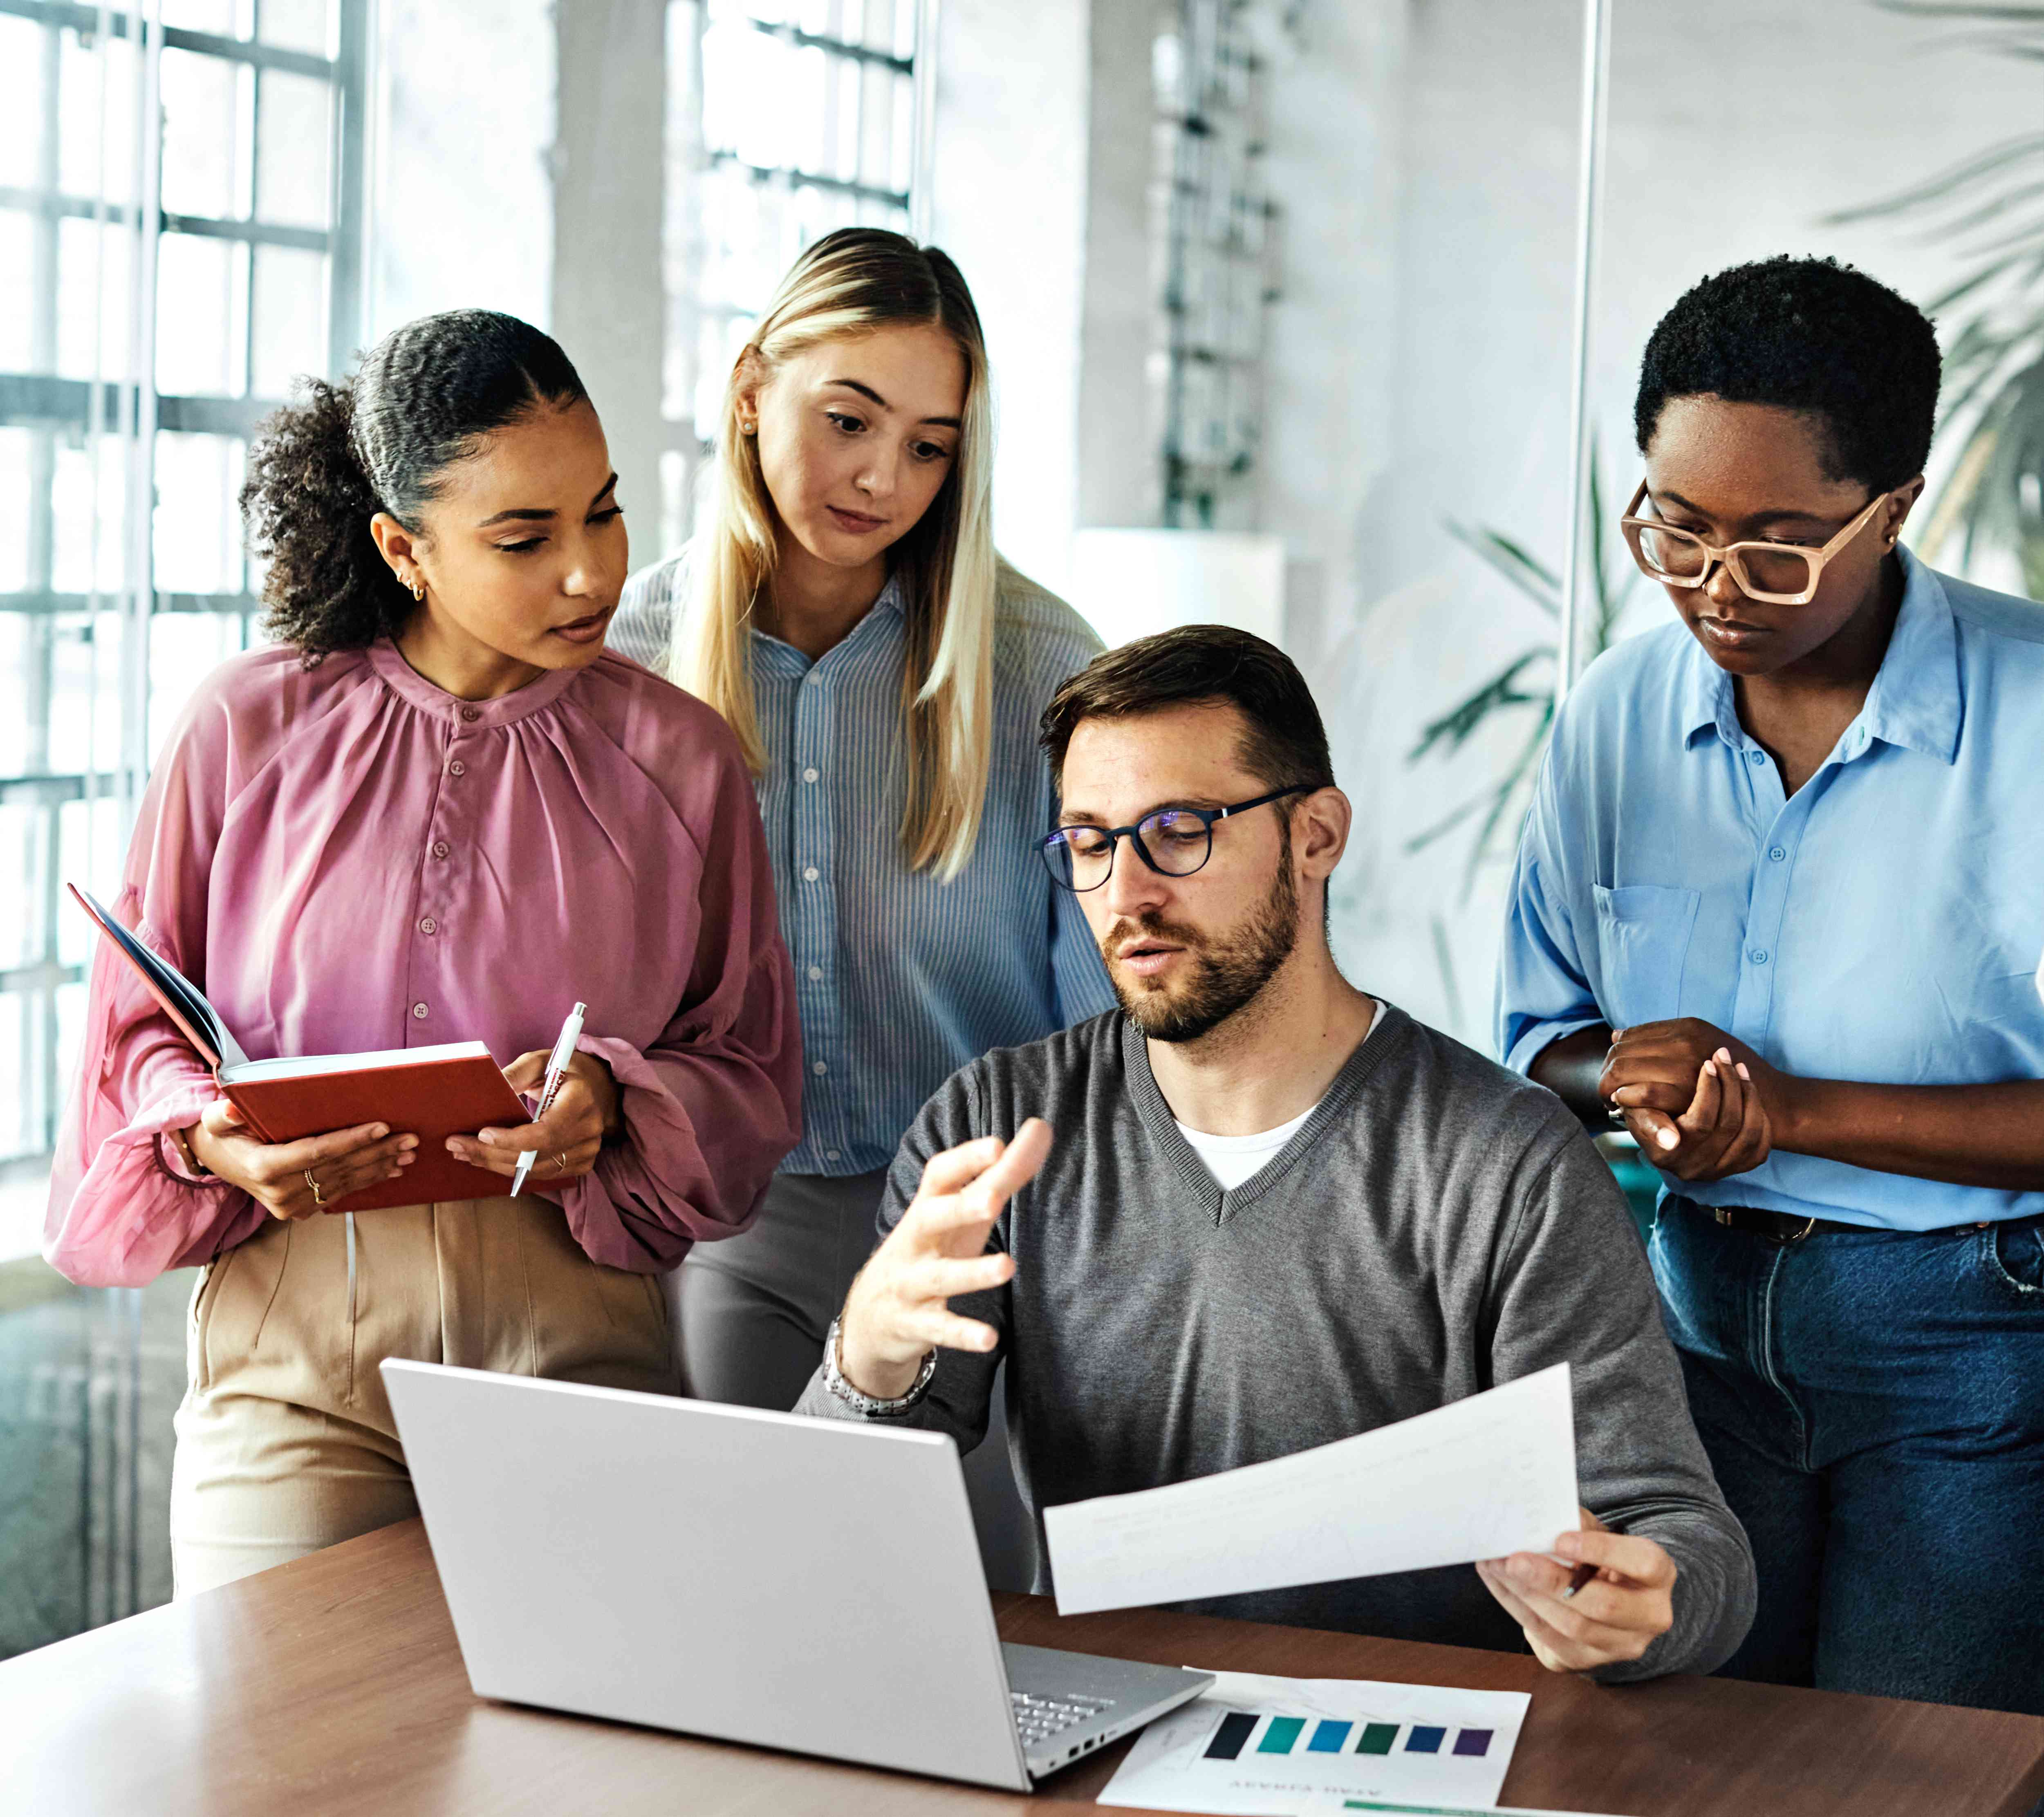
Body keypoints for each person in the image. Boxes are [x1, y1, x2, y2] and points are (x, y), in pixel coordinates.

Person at [795, 625, 1757, 1682]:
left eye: (1177, 831)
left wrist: (1640, 1605)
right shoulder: (995, 1129)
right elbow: (830, 1541)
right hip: (1109, 1735)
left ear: (1317, 837)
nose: (1127, 894)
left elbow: (1684, 1539)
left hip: (1411, 1755)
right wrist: (867, 1355)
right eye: (1088, 842)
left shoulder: (1504, 1162)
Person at [43, 310, 803, 1595]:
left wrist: (615, 1096)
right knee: (274, 1777)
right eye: (524, 538)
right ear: (405, 548)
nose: (590, 574)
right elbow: (138, 1030)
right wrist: (210, 1130)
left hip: (576, 1355)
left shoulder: (683, 759)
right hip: (291, 1369)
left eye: (604, 514)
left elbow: (750, 1065)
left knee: (560, 1788)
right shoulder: (244, 727)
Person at [1497, 256, 2044, 1713]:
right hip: (1685, 1330)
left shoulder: (2034, 716)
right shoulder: (1615, 716)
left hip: (1976, 1350)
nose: (1717, 588)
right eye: (1676, 529)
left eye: (1781, 542)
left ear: (1896, 507)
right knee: (1688, 1752)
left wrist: (1786, 1109)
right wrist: (1628, 1080)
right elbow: (1538, 1041)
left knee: (1908, 1771)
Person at [607, 229, 1108, 1575]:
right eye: (848, 421)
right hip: (726, 1230)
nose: (885, 478)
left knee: (980, 1637)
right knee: (753, 1618)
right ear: (751, 388)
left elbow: (1107, 1023)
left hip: (977, 1241)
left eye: (932, 445)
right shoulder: (622, 668)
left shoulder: (1044, 668)